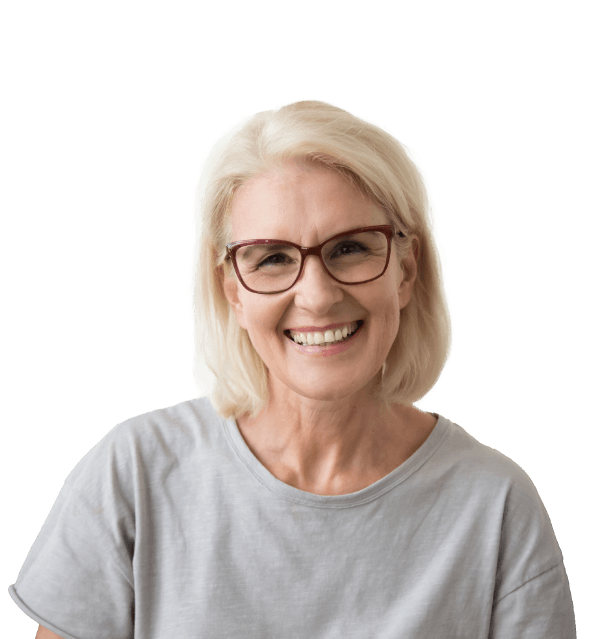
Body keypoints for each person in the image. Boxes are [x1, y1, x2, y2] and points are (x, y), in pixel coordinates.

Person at [9, 100, 576, 638]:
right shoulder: (132, 473)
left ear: (405, 271)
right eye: (273, 258)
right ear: (232, 289)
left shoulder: (496, 506)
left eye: (350, 247)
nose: (318, 296)